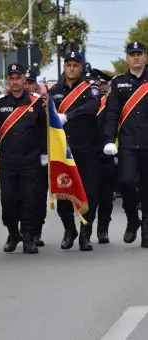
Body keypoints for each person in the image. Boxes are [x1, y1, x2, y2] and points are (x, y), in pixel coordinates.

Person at [0, 63, 47, 254]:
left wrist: (44, 152)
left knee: (28, 201)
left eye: (18, 77)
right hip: (8, 163)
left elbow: (44, 129)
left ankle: (28, 237)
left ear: (25, 80)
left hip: (30, 162)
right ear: (8, 80)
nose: (15, 81)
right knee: (8, 202)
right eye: (12, 78)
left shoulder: (35, 104)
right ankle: (12, 233)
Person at [50, 51, 101, 251]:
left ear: (81, 67)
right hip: (64, 150)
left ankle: (85, 233)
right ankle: (69, 229)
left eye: (75, 65)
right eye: (68, 65)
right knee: (63, 192)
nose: (71, 68)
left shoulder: (90, 88)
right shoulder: (55, 91)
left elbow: (92, 106)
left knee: (89, 193)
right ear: (64, 67)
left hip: (88, 148)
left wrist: (69, 116)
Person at [103, 42, 148, 248]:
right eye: (132, 54)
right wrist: (109, 140)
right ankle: (132, 218)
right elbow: (111, 114)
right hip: (128, 143)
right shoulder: (118, 83)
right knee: (126, 181)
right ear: (127, 58)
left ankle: (146, 230)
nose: (136, 57)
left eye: (139, 54)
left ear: (145, 57)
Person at [91, 69, 115, 244]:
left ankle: (103, 229)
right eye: (96, 84)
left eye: (101, 84)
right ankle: (85, 230)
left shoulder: (110, 103)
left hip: (106, 154)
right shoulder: (85, 102)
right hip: (87, 153)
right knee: (90, 195)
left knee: (106, 196)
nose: (99, 87)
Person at [25, 68, 47, 247]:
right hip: (20, 158)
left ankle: (36, 231)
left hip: (39, 157)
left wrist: (44, 153)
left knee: (38, 196)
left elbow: (45, 130)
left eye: (31, 83)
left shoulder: (42, 102)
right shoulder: (13, 102)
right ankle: (21, 232)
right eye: (26, 82)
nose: (27, 86)